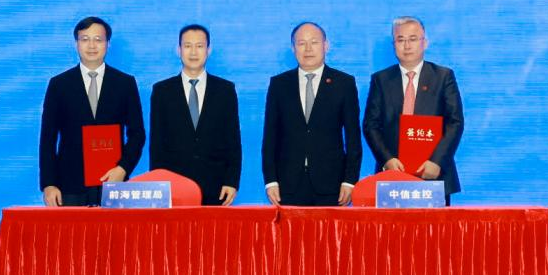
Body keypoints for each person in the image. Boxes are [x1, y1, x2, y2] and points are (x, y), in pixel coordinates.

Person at [39, 16, 145, 206]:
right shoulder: (59, 84)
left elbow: (137, 134)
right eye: (85, 39)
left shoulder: (125, 83)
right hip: (69, 185)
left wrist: (123, 169)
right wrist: (49, 184)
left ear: (108, 44)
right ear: (76, 44)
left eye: (98, 39)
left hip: (113, 182)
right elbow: (48, 138)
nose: (91, 45)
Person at [362, 16, 464, 201]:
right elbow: (371, 125)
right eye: (400, 40)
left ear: (425, 43)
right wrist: (387, 160)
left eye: (413, 39)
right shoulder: (381, 80)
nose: (407, 46)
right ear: (394, 45)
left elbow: (455, 122)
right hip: (392, 175)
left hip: (434, 173)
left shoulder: (443, 77)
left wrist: (437, 161)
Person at [262, 22, 361, 206]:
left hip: (331, 183)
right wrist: (271, 181)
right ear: (293, 48)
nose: (308, 49)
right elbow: (270, 137)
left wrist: (350, 180)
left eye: (314, 42)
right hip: (287, 184)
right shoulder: (279, 84)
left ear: (326, 45)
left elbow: (353, 137)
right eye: (301, 43)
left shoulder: (344, 83)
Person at [148, 24, 242, 205]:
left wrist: (232, 181)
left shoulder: (225, 90)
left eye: (199, 46)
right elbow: (157, 143)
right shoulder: (162, 91)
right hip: (174, 186)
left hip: (216, 185)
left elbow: (233, 141)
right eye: (187, 46)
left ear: (208, 50)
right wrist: (159, 185)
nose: (193, 52)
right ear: (178, 50)